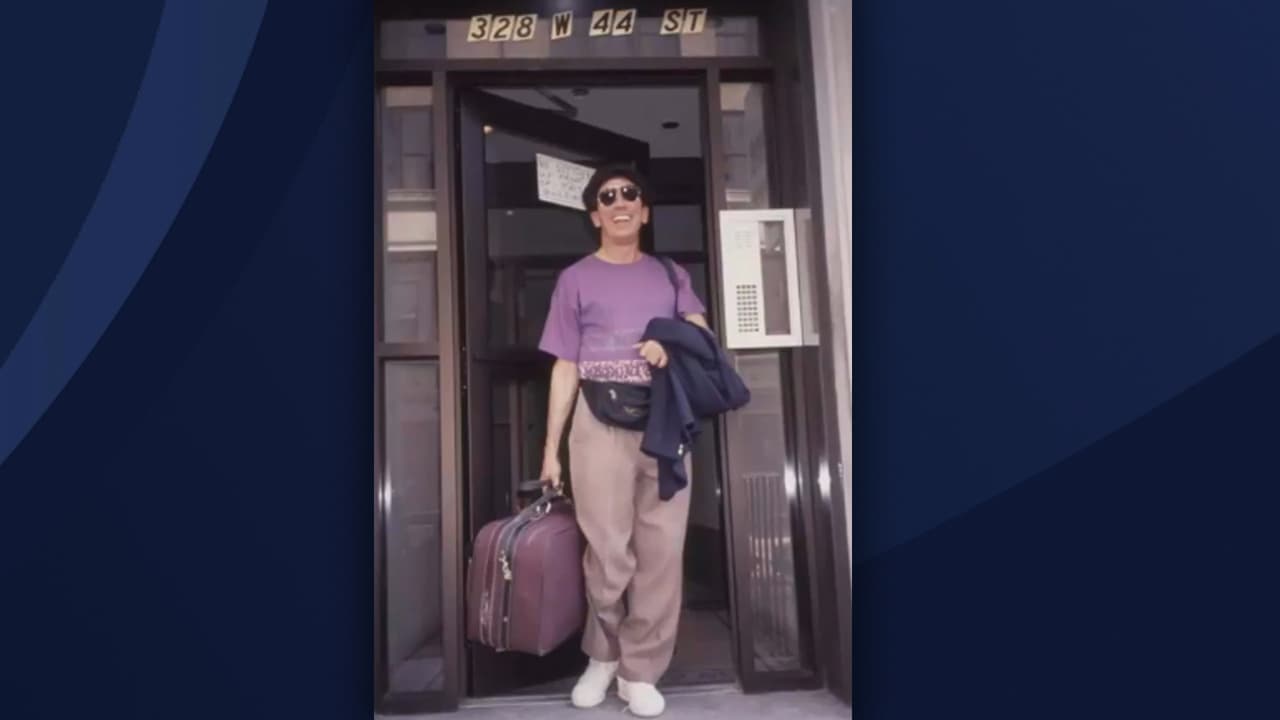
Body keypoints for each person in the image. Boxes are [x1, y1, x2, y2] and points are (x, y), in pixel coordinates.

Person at [537, 165, 709, 718]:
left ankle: (640, 671)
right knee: (608, 551)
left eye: (630, 195)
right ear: (594, 216)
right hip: (596, 420)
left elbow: (702, 337)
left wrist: (670, 343)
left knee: (661, 551)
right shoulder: (575, 279)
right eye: (607, 197)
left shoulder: (669, 273)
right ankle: (604, 655)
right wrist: (550, 448)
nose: (620, 202)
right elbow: (565, 366)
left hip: (663, 420)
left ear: (645, 211)